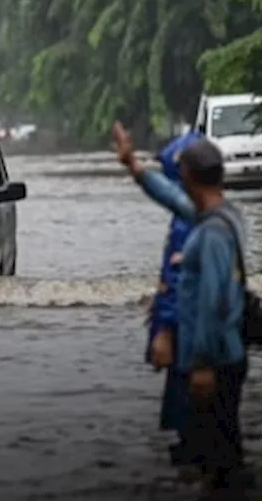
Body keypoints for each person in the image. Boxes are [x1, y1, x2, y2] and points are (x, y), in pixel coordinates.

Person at [113, 121, 253, 491]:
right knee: (215, 453)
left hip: (216, 360)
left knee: (218, 459)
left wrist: (202, 364)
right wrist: (135, 168)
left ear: (187, 175)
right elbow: (174, 200)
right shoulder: (224, 215)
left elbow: (213, 303)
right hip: (225, 355)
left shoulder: (210, 235)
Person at [148, 131, 201, 471]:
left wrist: (164, 328)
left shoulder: (188, 218)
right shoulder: (203, 209)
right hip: (200, 337)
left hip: (190, 337)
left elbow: (180, 281)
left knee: (194, 419)